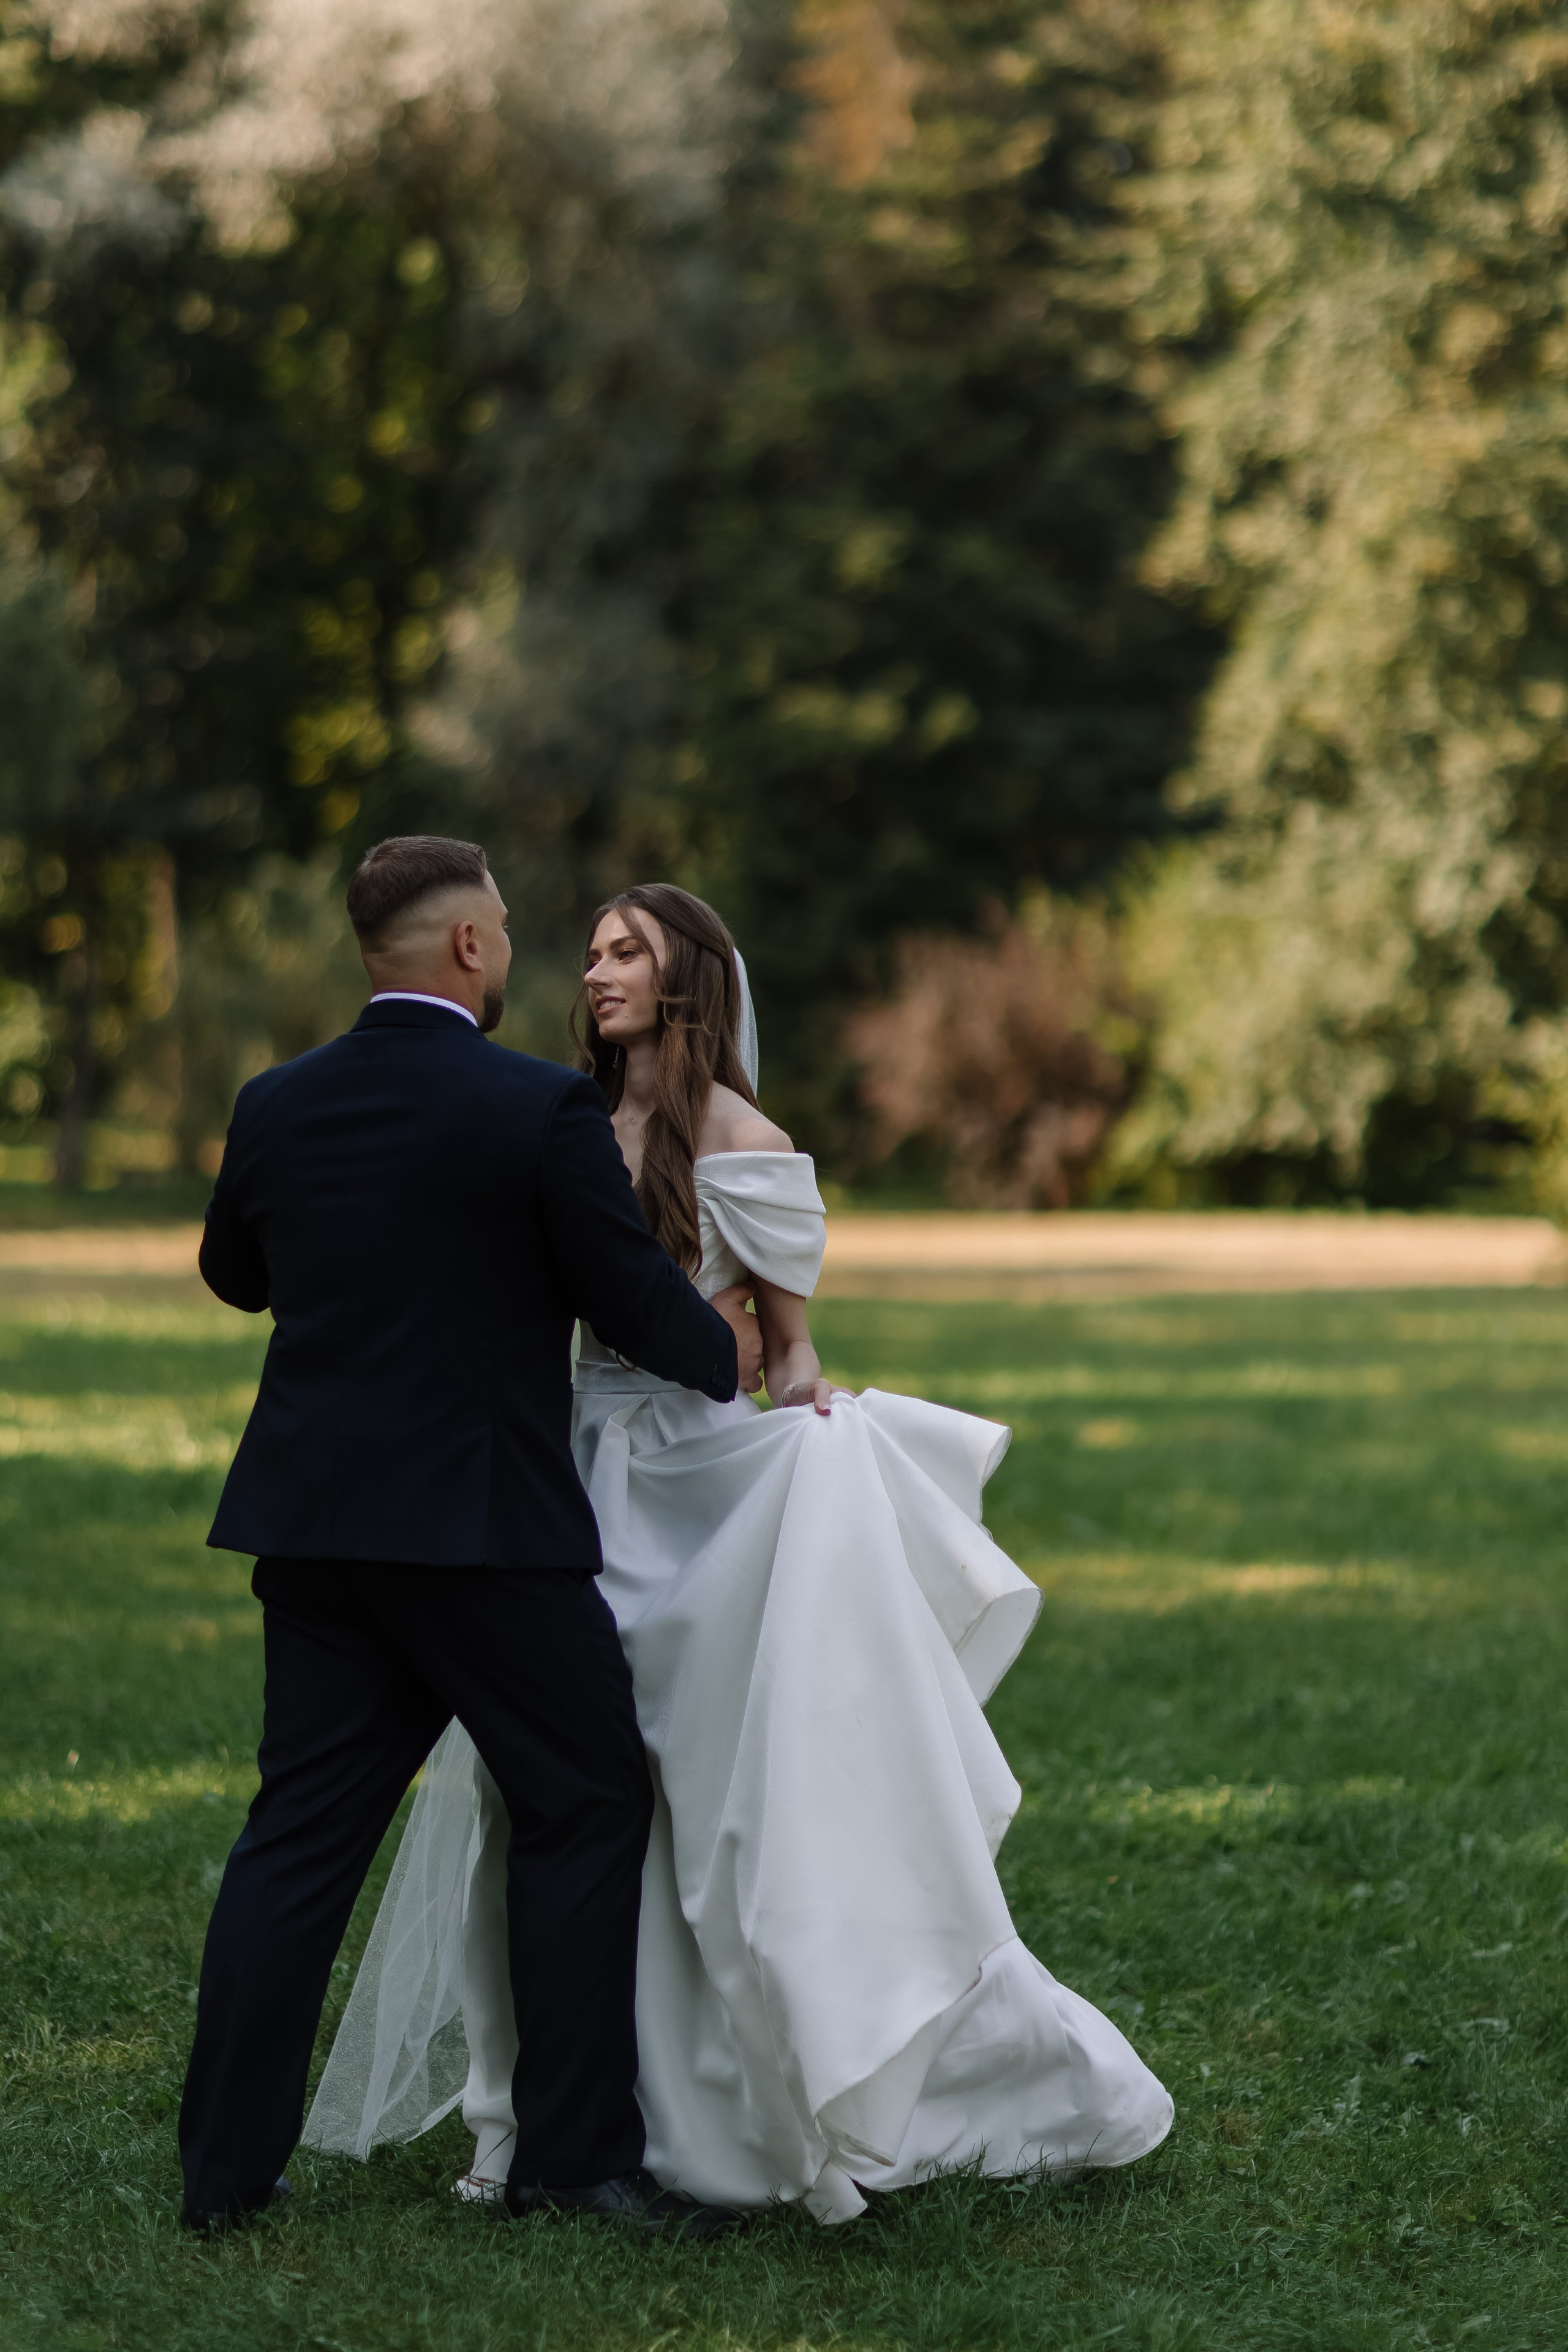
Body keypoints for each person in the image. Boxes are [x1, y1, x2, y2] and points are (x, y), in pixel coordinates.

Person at [306, 884, 1174, 2224]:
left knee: (698, 1801)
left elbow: (787, 1342)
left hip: (696, 1493)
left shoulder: (739, 1138)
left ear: (685, 979)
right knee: (540, 1794)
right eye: (589, 951)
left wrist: (805, 1402)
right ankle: (555, 2110)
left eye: (624, 952)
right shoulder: (560, 1121)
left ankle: (738, 2103)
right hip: (562, 1486)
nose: (594, 972)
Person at [179, 839, 764, 2240]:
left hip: (316, 1532)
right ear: (464, 952)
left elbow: (231, 1274)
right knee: (583, 1799)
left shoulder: (276, 1103)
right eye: (504, 929)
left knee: (298, 1841)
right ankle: (570, 2164)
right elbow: (626, 1294)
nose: (517, 951)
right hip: (484, 1536)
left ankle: (223, 2183)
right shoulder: (531, 1111)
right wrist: (725, 1352)